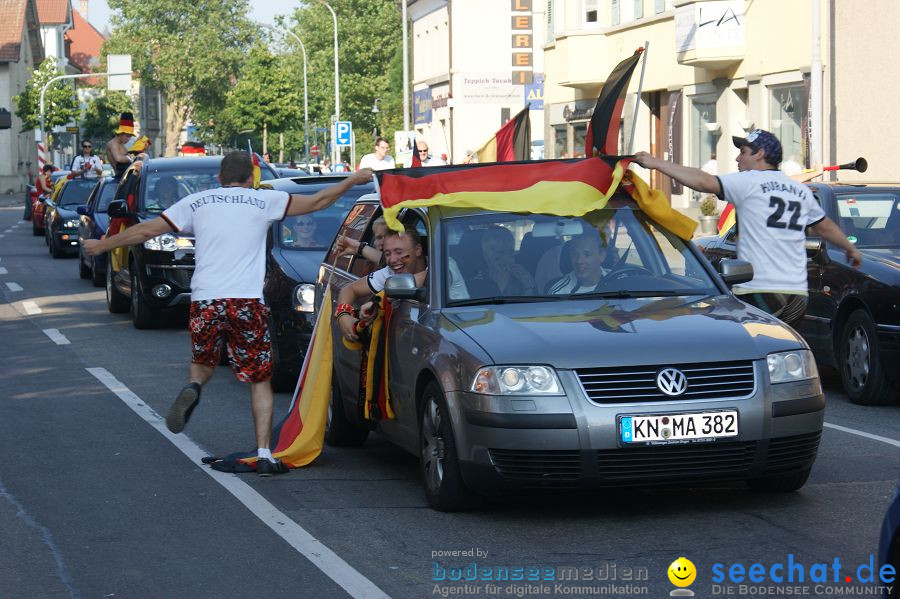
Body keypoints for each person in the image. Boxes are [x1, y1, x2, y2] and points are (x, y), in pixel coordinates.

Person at [84, 151, 374, 476]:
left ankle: (194, 386)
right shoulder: (263, 201)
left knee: (203, 363)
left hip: (207, 300)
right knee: (259, 378)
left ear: (219, 179)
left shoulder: (198, 202)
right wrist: (352, 179)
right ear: (250, 178)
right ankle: (264, 452)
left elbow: (146, 230)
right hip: (246, 302)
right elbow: (319, 201)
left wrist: (103, 246)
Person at [634, 129, 862, 326]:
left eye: (743, 152)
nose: (737, 158)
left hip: (761, 289)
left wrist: (655, 163)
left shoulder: (750, 181)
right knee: (779, 355)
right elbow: (825, 226)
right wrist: (850, 249)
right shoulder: (798, 190)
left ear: (760, 154)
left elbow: (703, 181)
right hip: (797, 294)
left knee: (733, 346)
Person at [336, 227, 425, 341]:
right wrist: (343, 314)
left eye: (399, 252)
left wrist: (377, 301)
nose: (392, 260)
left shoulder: (444, 268)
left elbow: (424, 277)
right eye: (387, 254)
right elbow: (349, 290)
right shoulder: (390, 271)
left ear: (418, 250)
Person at [468, 226, 534, 296]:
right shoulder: (475, 283)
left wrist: (527, 285)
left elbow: (531, 304)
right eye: (500, 253)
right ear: (486, 255)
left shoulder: (520, 276)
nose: (507, 258)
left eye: (510, 252)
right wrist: (499, 285)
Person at [106, 112, 145, 179]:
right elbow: (118, 158)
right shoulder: (113, 143)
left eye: (130, 136)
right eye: (127, 136)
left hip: (126, 176)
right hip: (120, 178)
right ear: (121, 133)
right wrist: (132, 157)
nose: (128, 139)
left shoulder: (121, 143)